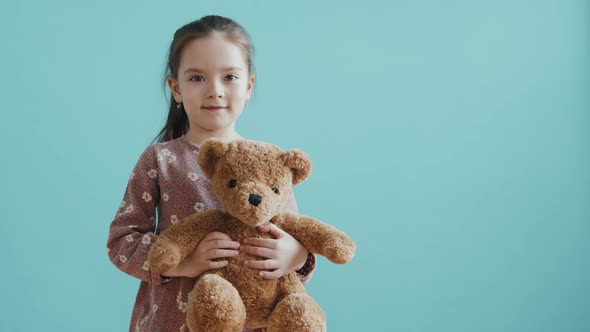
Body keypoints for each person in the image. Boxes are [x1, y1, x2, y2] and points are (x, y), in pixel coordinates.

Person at [106, 15, 315, 332]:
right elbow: (121, 241)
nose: (215, 91)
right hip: (173, 320)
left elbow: (292, 231)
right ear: (175, 89)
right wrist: (182, 262)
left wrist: (297, 256)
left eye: (229, 77)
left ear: (248, 86)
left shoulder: (273, 162)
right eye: (196, 78)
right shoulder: (160, 160)